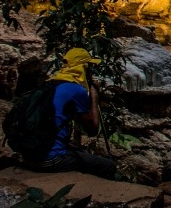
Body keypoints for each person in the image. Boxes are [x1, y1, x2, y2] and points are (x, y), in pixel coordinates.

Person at [25, 47, 117, 179]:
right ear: (84, 68)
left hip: (30, 155)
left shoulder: (50, 85)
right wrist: (94, 97)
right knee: (108, 166)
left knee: (78, 152)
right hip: (50, 160)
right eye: (90, 67)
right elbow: (92, 130)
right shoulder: (76, 90)